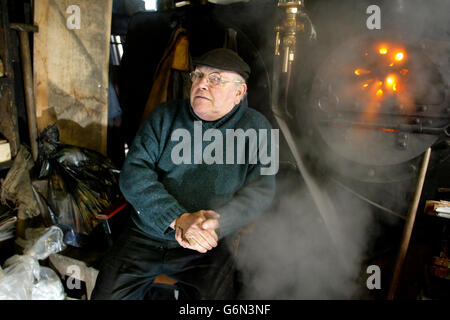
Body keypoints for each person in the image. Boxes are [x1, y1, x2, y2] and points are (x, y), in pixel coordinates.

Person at [91, 48, 277, 299]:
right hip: (146, 235)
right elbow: (133, 174)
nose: (201, 84)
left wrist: (220, 222)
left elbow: (262, 189)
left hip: (208, 242)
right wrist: (177, 218)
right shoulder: (164, 116)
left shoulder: (257, 128)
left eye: (215, 79)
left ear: (239, 92)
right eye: (198, 75)